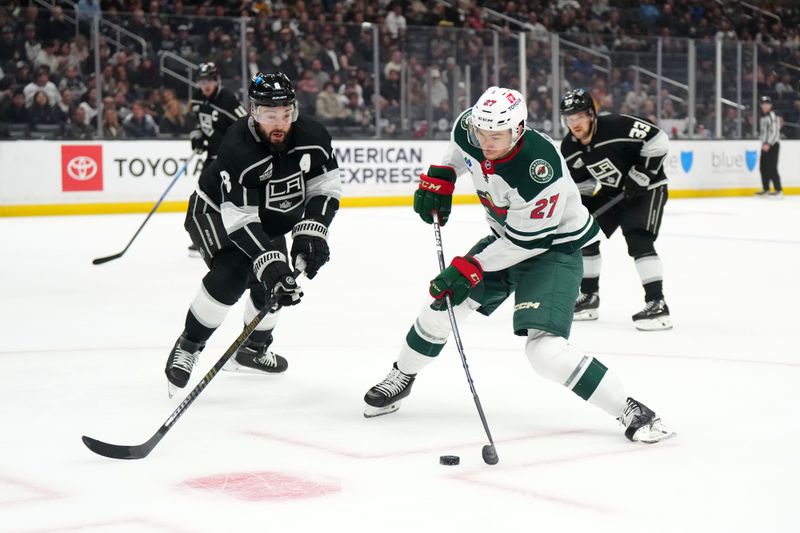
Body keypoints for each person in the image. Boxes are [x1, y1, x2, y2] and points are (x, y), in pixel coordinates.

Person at [362, 86, 674, 444]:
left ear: (519, 129)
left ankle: (631, 410)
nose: (487, 143)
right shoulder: (471, 128)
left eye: (497, 136)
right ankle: (402, 376)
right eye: (483, 133)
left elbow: (527, 242)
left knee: (545, 353)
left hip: (552, 249)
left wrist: (470, 267)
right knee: (439, 308)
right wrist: (443, 174)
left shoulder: (539, 169)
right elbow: (460, 148)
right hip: (505, 239)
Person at [164, 72, 342, 398]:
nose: (279, 122)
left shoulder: (313, 136)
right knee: (235, 269)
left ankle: (252, 349)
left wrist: (311, 231)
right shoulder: (238, 148)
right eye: (270, 114)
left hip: (265, 217)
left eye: (285, 113)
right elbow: (240, 219)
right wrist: (269, 261)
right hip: (215, 212)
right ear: (253, 111)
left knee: (277, 280)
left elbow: (325, 187)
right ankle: (189, 344)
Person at [559, 88, 671, 331]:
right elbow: (583, 185)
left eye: (579, 117)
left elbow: (658, 139)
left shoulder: (617, 126)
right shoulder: (569, 147)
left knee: (638, 237)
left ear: (591, 114)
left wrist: (643, 172)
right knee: (586, 234)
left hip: (649, 187)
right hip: (614, 191)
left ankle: (657, 303)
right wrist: (579, 215)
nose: (574, 123)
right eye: (570, 119)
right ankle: (589, 298)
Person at [186, 61, 247, 256]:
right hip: (212, 156)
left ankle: (231, 236)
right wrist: (198, 137)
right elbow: (197, 123)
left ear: (217, 80)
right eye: (202, 81)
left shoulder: (227, 99)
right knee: (205, 197)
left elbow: (246, 125)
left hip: (228, 159)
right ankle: (208, 236)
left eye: (209, 80)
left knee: (221, 198)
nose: (206, 85)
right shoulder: (197, 98)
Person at [756, 95, 782, 197]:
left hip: (773, 145)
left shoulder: (772, 116)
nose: (764, 106)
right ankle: (766, 188)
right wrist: (763, 142)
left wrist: (769, 144)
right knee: (763, 168)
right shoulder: (762, 117)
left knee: (772, 168)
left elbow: (775, 132)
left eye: (767, 104)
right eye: (763, 104)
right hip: (765, 145)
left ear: (770, 105)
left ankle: (778, 189)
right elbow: (763, 132)